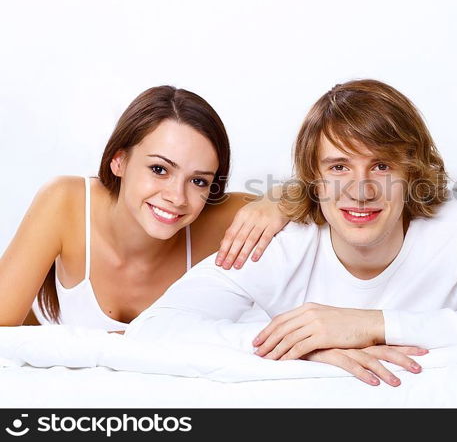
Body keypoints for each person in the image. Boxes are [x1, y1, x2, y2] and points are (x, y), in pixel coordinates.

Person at [126, 79, 457, 386]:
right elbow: (154, 330)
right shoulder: (280, 245)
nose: (360, 191)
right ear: (314, 179)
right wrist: (301, 346)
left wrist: (371, 326)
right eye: (339, 167)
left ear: (410, 172)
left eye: (380, 165)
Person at [0, 86, 288, 331]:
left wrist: (278, 202)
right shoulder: (65, 202)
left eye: (198, 180)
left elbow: (315, 192)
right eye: (159, 169)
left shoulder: (218, 219)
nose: (177, 197)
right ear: (119, 161)